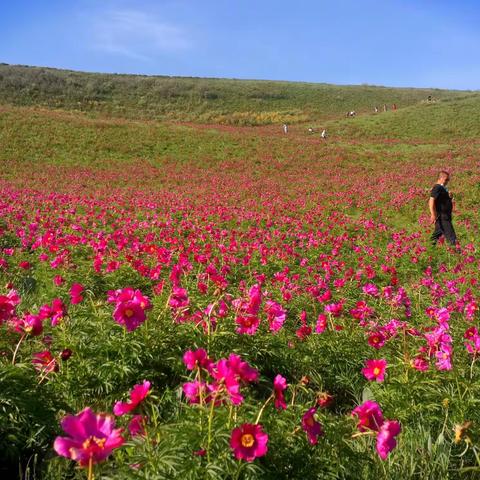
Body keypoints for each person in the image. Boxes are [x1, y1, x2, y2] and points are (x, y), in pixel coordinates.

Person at [429, 171, 457, 246]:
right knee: (452, 237)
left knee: (436, 236)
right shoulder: (437, 187)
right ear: (441, 178)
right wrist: (433, 214)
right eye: (446, 179)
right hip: (442, 216)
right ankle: (458, 253)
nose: (447, 182)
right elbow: (431, 201)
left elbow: (443, 200)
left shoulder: (442, 188)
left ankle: (430, 247)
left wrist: (450, 197)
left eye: (448, 180)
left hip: (444, 216)